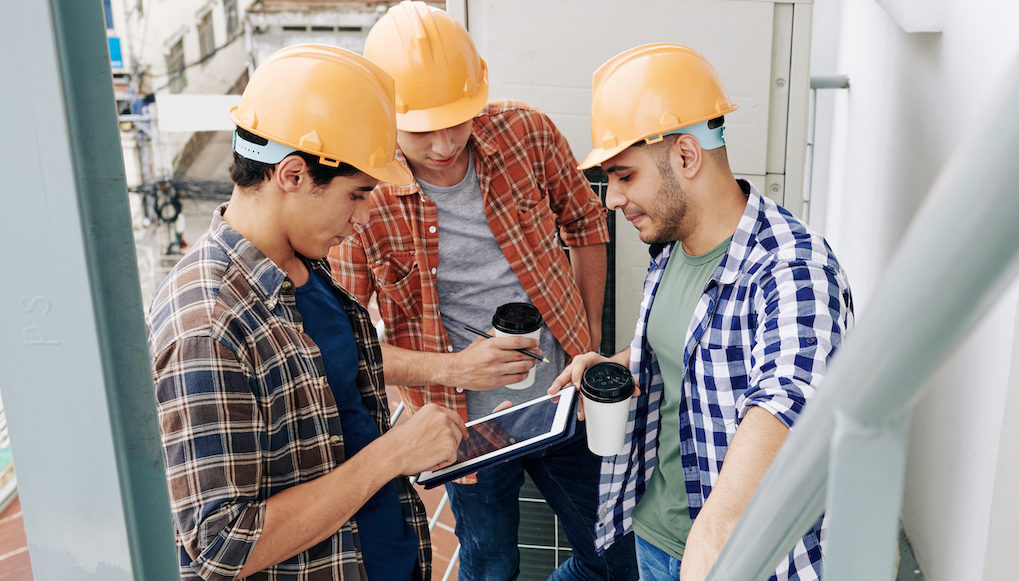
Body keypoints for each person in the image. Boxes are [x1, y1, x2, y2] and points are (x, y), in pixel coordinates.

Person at [328, 3, 634, 579]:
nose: (444, 144)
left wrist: (586, 338)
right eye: (421, 130)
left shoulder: (528, 134)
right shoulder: (360, 196)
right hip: (461, 429)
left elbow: (588, 226)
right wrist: (454, 370)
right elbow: (347, 347)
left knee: (617, 558)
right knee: (491, 568)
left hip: (563, 398)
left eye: (457, 120)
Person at [147, 44, 466, 581]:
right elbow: (223, 547)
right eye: (357, 194)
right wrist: (391, 455)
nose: (365, 215)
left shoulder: (303, 264)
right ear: (292, 175)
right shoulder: (207, 325)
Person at [553, 43, 855, 581]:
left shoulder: (795, 268)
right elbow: (689, 353)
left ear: (687, 157)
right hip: (655, 535)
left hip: (738, 559)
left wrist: (717, 532)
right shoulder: (672, 245)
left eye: (624, 176)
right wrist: (621, 364)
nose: (610, 200)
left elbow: (790, 397)